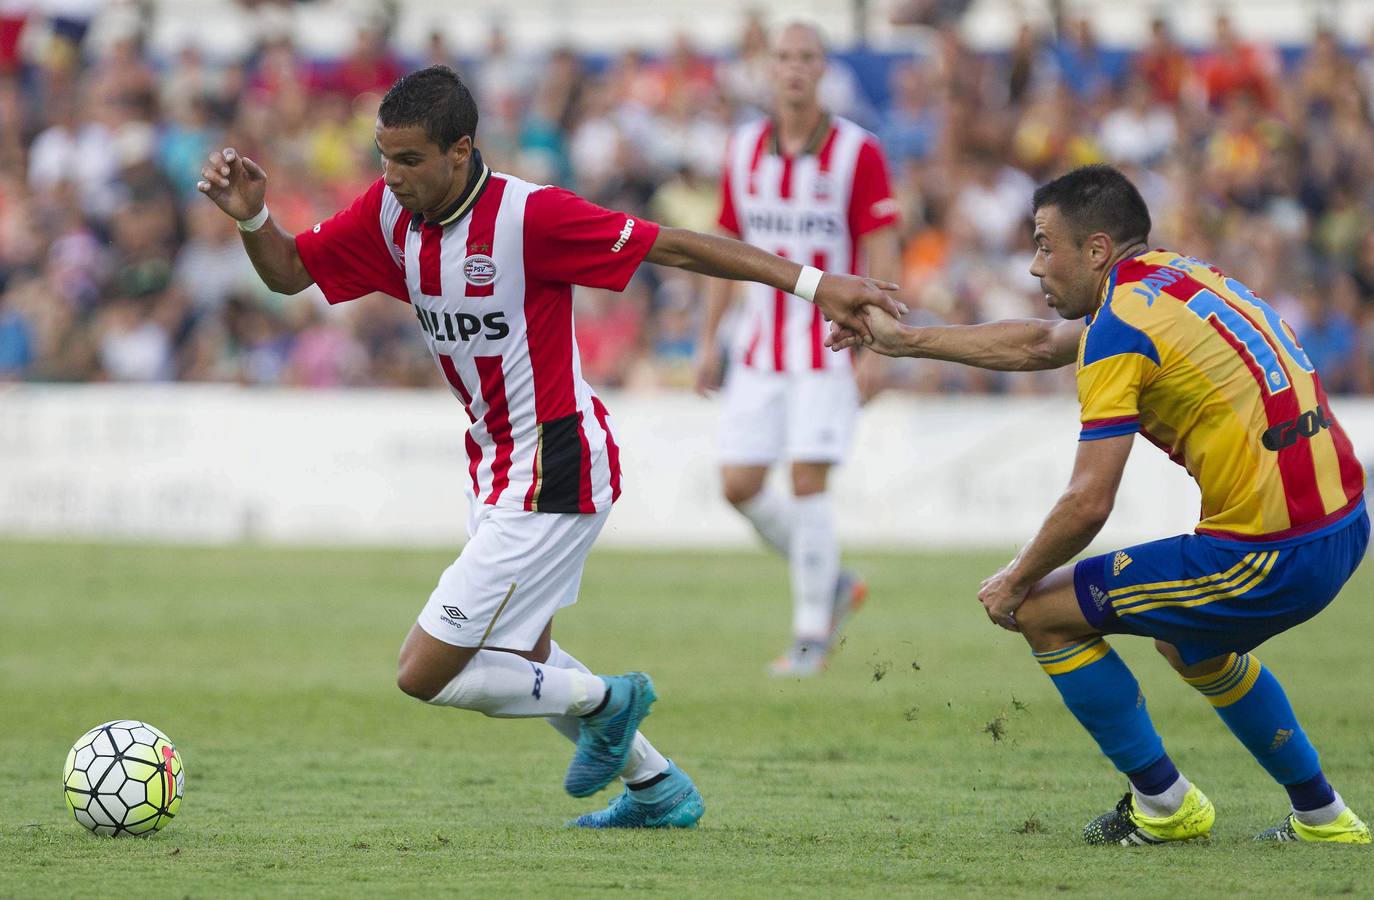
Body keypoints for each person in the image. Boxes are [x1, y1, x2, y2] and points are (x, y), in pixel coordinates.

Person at [197, 65, 902, 829]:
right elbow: (293, 272)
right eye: (383, 158)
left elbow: (683, 250)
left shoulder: (529, 217)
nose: (390, 177)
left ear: (460, 150)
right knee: (526, 661)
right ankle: (659, 791)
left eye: (408, 161)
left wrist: (814, 283)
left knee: (424, 672)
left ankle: (609, 698)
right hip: (495, 465)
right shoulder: (391, 216)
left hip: (555, 462)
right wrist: (251, 219)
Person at [830, 164, 1370, 845]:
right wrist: (909, 341)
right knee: (1188, 641)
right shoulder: (1182, 278)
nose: (1033, 266)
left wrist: (1015, 579)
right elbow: (1041, 343)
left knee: (1040, 612)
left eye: (1044, 244)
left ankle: (1166, 805)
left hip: (1271, 551)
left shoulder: (1119, 325)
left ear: (1096, 250)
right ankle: (1324, 816)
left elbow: (1088, 503)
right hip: (1345, 522)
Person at [695, 22, 902, 677]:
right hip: (758, 350)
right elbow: (724, 250)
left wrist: (879, 346)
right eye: (783, 57)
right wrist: (708, 339)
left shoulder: (857, 153)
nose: (792, 68)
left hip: (829, 348)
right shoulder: (742, 149)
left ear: (822, 70)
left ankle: (811, 635)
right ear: (767, 68)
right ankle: (834, 580)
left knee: (807, 479)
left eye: (805, 57)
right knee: (739, 485)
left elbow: (882, 248)